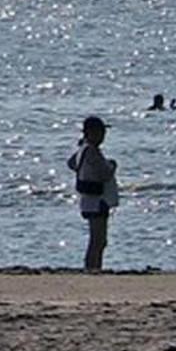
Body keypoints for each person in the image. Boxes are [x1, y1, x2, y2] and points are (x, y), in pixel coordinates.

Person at [66, 116, 118, 273]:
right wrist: (113, 165)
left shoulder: (83, 150)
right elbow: (105, 174)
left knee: (97, 239)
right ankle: (93, 268)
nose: (103, 136)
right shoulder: (93, 152)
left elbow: (71, 163)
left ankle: (92, 267)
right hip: (97, 200)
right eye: (100, 132)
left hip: (88, 199)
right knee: (98, 240)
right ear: (91, 133)